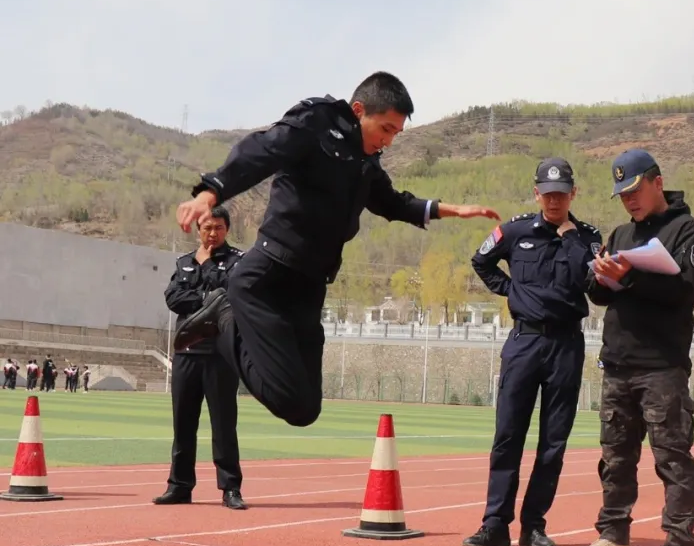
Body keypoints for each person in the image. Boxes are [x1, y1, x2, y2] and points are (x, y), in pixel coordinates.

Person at [171, 72, 499, 428]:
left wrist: (451, 209)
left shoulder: (366, 162)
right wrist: (211, 191)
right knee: (283, 395)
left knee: (304, 409)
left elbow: (392, 203)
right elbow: (261, 151)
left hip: (311, 286)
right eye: (385, 129)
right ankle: (223, 319)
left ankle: (224, 321)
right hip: (268, 277)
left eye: (396, 134)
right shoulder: (317, 122)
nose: (388, 141)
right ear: (359, 110)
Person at [576, 148, 694, 546]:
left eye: (634, 190)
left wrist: (629, 277)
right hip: (617, 362)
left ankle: (680, 542)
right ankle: (614, 534)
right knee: (615, 456)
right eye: (622, 194)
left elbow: (682, 291)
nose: (629, 200)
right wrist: (598, 275)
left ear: (656, 182)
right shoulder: (619, 235)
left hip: (662, 365)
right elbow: (599, 295)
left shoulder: (687, 231)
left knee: (672, 455)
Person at [463, 158, 603, 546]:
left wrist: (572, 238)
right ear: (536, 192)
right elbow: (481, 261)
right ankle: (494, 524)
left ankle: (534, 525)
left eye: (562, 193)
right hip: (524, 343)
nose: (554, 200)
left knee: (553, 442)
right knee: (508, 435)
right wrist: (511, 292)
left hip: (566, 346)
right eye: (548, 193)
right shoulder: (515, 230)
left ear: (573, 193)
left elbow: (593, 284)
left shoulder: (588, 238)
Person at [155, 205, 247, 510]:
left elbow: (228, 297)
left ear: (227, 230)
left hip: (220, 355)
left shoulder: (238, 262)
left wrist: (207, 269)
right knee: (183, 425)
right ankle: (179, 486)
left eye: (218, 228)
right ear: (198, 230)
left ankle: (230, 488)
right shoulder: (183, 263)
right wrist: (206, 297)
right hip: (186, 354)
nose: (212, 233)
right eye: (207, 228)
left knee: (223, 425)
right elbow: (173, 298)